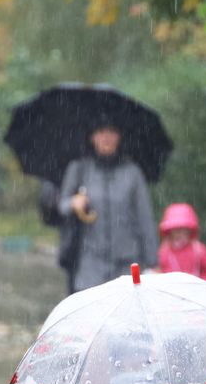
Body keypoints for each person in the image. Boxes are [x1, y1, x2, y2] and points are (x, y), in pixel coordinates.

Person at [58, 123, 158, 293]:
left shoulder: (133, 173)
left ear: (119, 137)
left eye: (112, 132)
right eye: (101, 132)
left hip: (127, 261)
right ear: (92, 137)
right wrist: (73, 203)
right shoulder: (79, 169)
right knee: (91, 313)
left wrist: (153, 261)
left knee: (126, 315)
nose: (106, 137)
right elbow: (62, 206)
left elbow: (145, 218)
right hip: (90, 260)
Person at [157, 203, 206, 282]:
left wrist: (201, 283)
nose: (181, 234)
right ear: (169, 232)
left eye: (184, 230)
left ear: (190, 231)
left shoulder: (199, 250)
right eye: (177, 230)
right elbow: (159, 274)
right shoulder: (164, 252)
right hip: (172, 290)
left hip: (197, 290)